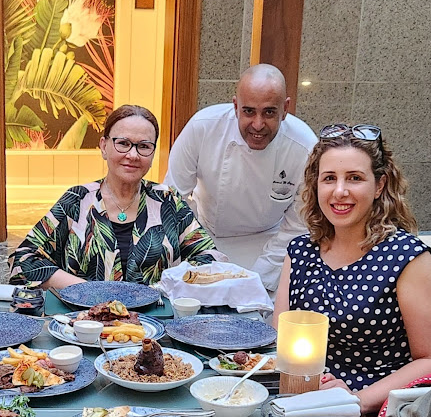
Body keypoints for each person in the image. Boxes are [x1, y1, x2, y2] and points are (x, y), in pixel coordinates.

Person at [272, 124, 431, 415]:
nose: (340, 191)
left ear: (379, 185)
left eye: (355, 178)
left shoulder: (407, 257)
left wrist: (356, 399)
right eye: (329, 178)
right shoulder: (300, 252)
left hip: (373, 406)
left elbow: (428, 360)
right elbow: (278, 343)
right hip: (299, 403)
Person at [9, 105, 225, 289]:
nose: (132, 155)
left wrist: (163, 287)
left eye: (144, 146)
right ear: (104, 146)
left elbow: (211, 259)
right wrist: (84, 289)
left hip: (155, 321)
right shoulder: (78, 199)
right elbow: (23, 260)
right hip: (84, 319)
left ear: (153, 154)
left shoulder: (168, 201)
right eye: (123, 143)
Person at [164, 64, 316, 292]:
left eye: (269, 112)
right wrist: (198, 251)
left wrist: (258, 279)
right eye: (249, 111)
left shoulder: (304, 147)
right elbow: (173, 200)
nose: (258, 124)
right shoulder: (202, 127)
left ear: (285, 109)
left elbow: (298, 225)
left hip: (267, 244)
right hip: (204, 237)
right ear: (235, 106)